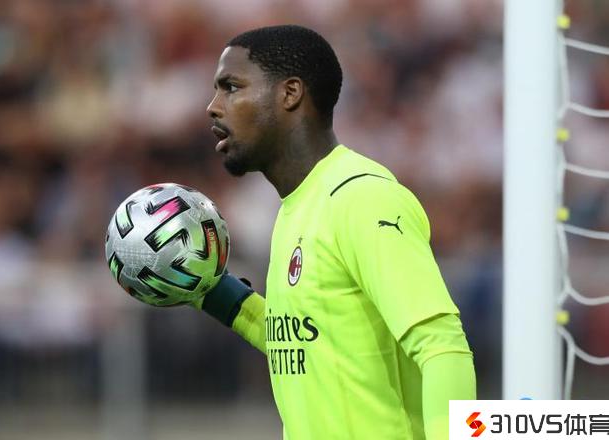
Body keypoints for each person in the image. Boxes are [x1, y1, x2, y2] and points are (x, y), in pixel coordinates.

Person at [198, 24, 476, 439]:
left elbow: (443, 348)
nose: (213, 107)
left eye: (231, 87)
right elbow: (305, 344)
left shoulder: (361, 198)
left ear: (290, 94)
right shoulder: (297, 207)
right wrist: (209, 290)